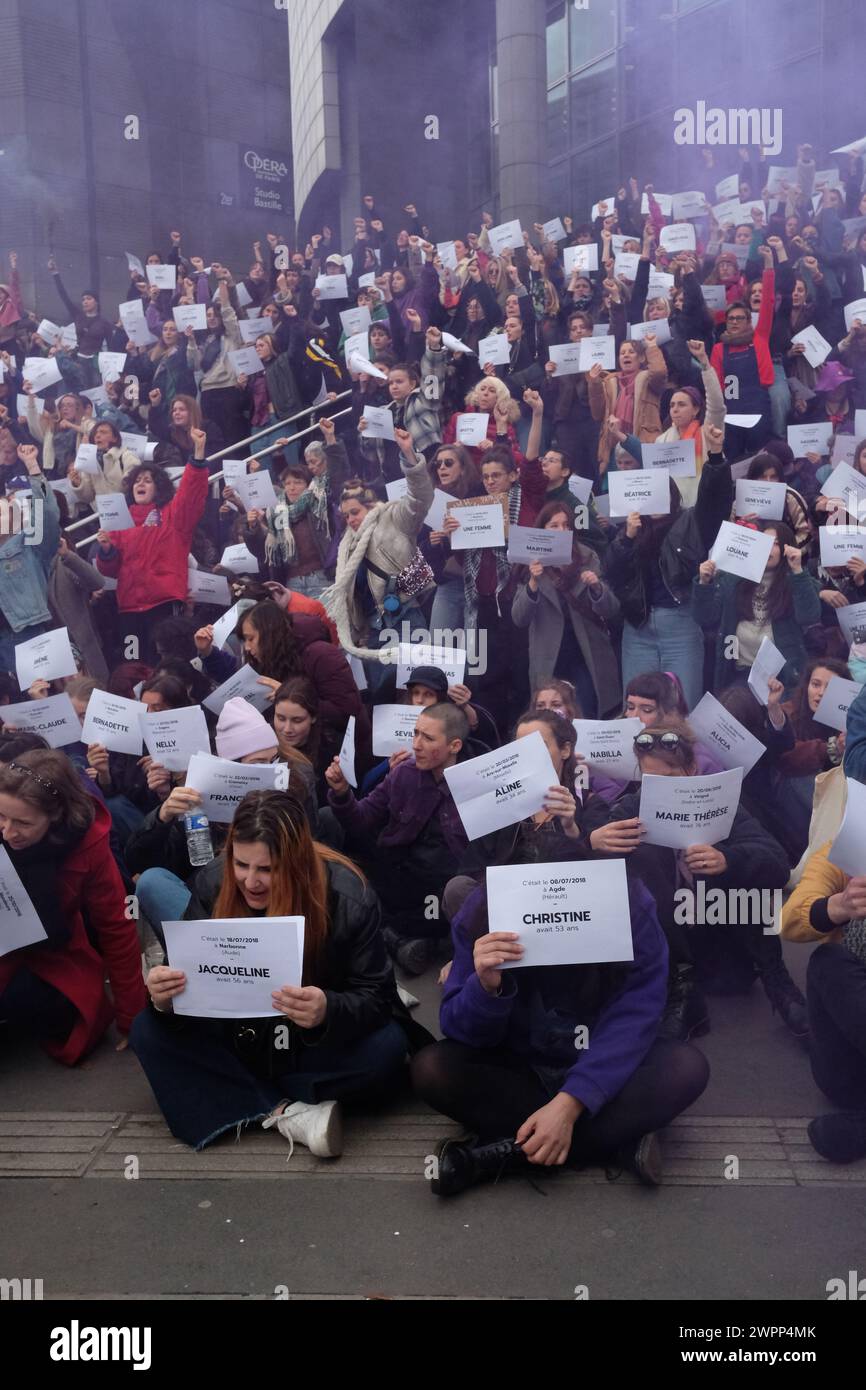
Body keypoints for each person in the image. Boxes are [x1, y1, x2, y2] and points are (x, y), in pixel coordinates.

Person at [411, 839, 709, 1195]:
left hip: (604, 1068)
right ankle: (616, 1144)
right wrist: (485, 987)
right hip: (520, 1068)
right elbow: (458, 1028)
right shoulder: (480, 910)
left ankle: (499, 1154)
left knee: (685, 1068)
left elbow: (637, 1014)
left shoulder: (627, 900)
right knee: (432, 1068)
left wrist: (571, 1103)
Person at [130, 790, 415, 1154]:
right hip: (238, 1032)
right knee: (148, 1028)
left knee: (387, 1049)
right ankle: (286, 1109)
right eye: (241, 864)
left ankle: (237, 1092)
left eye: (267, 869)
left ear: (296, 862)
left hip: (305, 1039)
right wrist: (164, 999)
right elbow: (190, 985)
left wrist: (327, 1008)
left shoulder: (349, 896)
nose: (250, 882)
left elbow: (375, 996)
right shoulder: (213, 881)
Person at [0, 749, 146, 1063]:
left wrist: (132, 1019)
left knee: (60, 1013)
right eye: (1, 817)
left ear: (54, 816)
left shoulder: (88, 842)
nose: (8, 832)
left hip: (54, 949)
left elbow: (116, 928)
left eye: (22, 822)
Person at [324, 702, 470, 976]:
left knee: (428, 916)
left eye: (428, 738)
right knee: (347, 889)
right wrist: (342, 793)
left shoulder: (475, 785)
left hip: (439, 889)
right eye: (415, 733)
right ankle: (399, 940)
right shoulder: (404, 773)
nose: (416, 744)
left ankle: (400, 938)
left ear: (455, 745)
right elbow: (362, 818)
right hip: (397, 872)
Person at [95, 429, 210, 663]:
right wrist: (106, 550)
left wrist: (197, 456)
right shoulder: (120, 521)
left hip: (164, 605)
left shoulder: (173, 516)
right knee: (133, 666)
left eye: (147, 480)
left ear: (159, 487)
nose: (141, 484)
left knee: (168, 664)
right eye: (137, 480)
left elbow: (191, 494)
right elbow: (109, 570)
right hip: (128, 610)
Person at [782, 844, 866, 1163]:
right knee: (829, 961)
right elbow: (790, 918)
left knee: (837, 1136)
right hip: (851, 1059)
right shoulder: (843, 850)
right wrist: (839, 906)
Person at [510, 499, 620, 718]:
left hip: (586, 654)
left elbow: (611, 609)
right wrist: (533, 582)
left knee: (585, 714)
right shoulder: (531, 561)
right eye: (554, 525)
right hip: (549, 656)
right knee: (550, 721)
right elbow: (519, 618)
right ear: (542, 529)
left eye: (566, 525)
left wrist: (596, 588)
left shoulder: (587, 556)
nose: (562, 530)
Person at [693, 523, 822, 694]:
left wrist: (797, 570)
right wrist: (704, 582)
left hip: (783, 674)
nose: (769, 548)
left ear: (786, 548)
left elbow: (809, 616)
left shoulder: (796, 580)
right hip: (740, 670)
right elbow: (705, 618)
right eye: (765, 541)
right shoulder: (733, 579)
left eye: (775, 543)